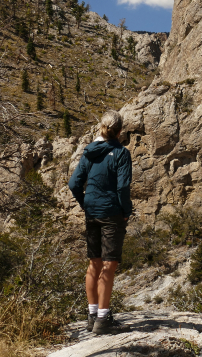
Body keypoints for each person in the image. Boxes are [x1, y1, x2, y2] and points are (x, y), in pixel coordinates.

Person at [68, 110, 133, 335]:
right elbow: (123, 187)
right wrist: (126, 210)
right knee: (109, 264)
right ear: (120, 130)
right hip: (111, 212)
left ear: (101, 128)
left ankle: (92, 315)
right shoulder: (121, 153)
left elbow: (74, 183)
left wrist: (85, 203)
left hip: (92, 211)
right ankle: (103, 320)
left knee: (94, 263)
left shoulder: (89, 152)